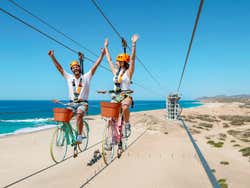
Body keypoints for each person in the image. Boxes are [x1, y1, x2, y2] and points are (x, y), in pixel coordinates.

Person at [48, 48, 105, 143]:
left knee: (79, 115)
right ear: (71, 70)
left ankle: (79, 135)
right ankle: (69, 136)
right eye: (73, 68)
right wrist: (52, 56)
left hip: (83, 104)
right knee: (64, 118)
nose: (75, 68)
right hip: (71, 104)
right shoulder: (69, 78)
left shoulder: (86, 77)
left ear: (79, 68)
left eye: (76, 67)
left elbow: (95, 66)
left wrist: (102, 55)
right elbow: (59, 68)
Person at [104, 34, 139, 138]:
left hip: (125, 96)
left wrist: (133, 44)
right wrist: (106, 47)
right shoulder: (115, 72)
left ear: (122, 62)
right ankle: (110, 139)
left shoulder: (129, 72)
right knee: (110, 118)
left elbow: (132, 59)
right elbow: (109, 60)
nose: (116, 62)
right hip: (115, 96)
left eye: (118, 61)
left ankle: (127, 123)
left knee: (124, 107)